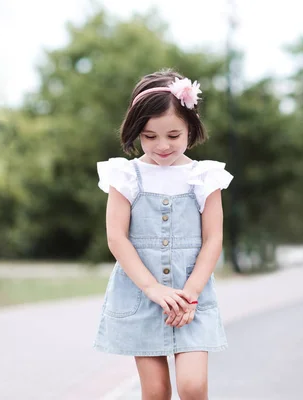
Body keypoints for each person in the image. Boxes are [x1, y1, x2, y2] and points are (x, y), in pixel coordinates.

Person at [93, 69, 232, 400]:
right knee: (155, 392)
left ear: (190, 128)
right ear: (136, 132)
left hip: (191, 297)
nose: (162, 145)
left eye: (173, 134)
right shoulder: (126, 175)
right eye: (149, 136)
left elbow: (213, 239)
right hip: (143, 296)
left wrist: (191, 294)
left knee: (193, 386)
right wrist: (153, 288)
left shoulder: (204, 176)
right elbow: (117, 237)